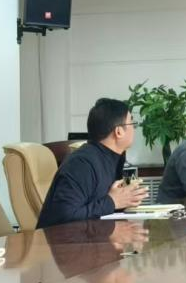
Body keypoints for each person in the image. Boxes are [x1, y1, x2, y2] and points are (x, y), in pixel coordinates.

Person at [36, 98, 148, 229]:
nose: (134, 128)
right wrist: (113, 202)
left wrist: (125, 200)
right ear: (119, 131)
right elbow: (64, 217)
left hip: (94, 237)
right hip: (62, 240)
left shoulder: (114, 159)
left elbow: (99, 207)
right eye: (132, 123)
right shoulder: (82, 164)